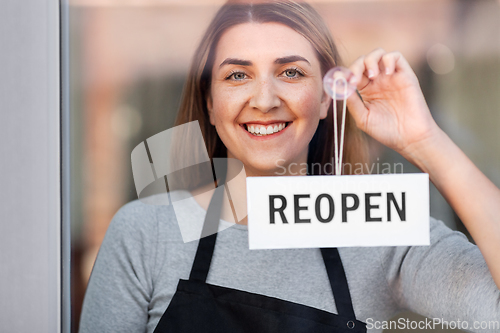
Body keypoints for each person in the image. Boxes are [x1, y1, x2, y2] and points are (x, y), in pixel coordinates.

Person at [79, 1, 500, 332]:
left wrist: (425, 141)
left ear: (324, 98)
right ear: (209, 102)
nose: (264, 100)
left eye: (292, 72)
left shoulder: (378, 228)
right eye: (237, 76)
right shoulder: (145, 233)